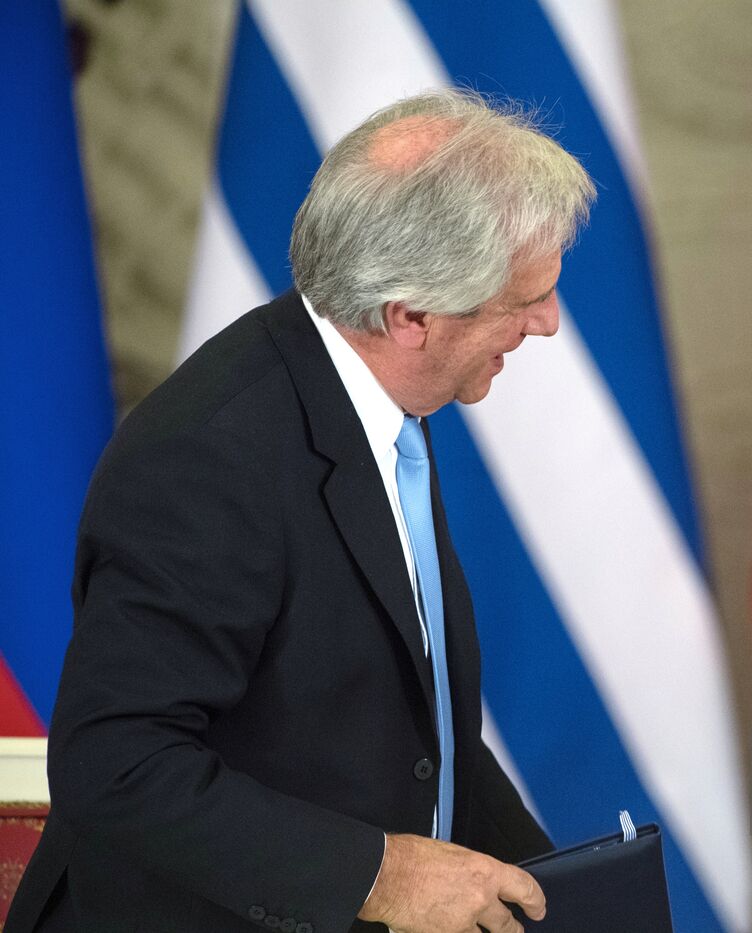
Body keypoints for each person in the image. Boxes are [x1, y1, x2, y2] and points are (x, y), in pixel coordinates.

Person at [9, 88, 595, 933]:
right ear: (411, 316)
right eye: (522, 301)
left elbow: (421, 737)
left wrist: (562, 901)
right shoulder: (211, 456)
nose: (546, 323)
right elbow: (118, 763)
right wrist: (382, 876)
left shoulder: (382, 406)